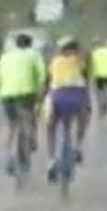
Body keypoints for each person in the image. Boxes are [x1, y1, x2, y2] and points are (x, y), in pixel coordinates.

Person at [0, 32, 46, 175]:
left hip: (7, 94)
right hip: (26, 93)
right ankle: (30, 141)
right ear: (30, 44)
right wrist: (40, 92)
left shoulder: (5, 57)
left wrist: (1, 90)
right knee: (29, 119)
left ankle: (9, 156)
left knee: (11, 125)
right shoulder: (34, 55)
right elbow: (42, 75)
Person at [44, 36, 91, 182]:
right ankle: (78, 146)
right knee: (84, 117)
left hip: (57, 96)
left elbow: (48, 81)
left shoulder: (54, 61)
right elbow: (86, 80)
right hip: (76, 95)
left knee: (50, 127)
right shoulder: (80, 61)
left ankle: (51, 160)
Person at [89, 37, 107, 116]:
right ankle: (106, 102)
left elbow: (91, 65)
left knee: (99, 92)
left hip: (99, 76)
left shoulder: (94, 53)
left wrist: (90, 74)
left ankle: (101, 105)